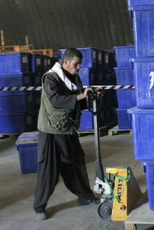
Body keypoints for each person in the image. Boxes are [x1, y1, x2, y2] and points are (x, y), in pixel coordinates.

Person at [33, 48, 98, 220]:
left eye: (80, 64)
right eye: (76, 64)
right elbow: (56, 100)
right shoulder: (50, 78)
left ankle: (85, 196)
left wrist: (90, 96)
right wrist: (80, 96)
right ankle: (39, 207)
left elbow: (79, 100)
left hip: (67, 128)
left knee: (75, 163)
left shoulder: (73, 77)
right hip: (51, 131)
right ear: (65, 62)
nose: (78, 67)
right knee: (49, 170)